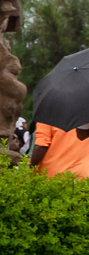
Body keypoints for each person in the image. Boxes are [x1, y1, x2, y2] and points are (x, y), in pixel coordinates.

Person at [29, 50, 89, 178]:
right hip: (83, 177)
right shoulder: (85, 108)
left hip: (53, 179)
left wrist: (29, 168)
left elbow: (41, 146)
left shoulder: (51, 107)